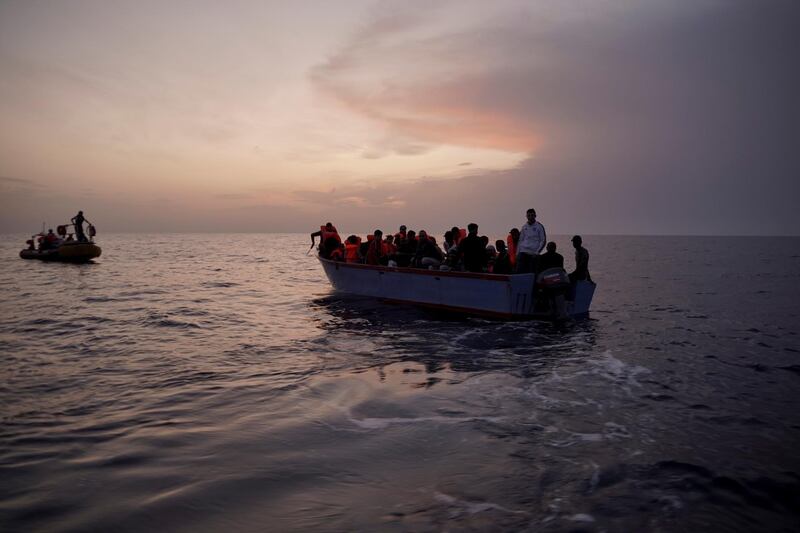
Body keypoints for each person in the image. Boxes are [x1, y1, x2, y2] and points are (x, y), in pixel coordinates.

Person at [516, 208, 546, 273]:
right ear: (526, 216)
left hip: (533, 253)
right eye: (528, 215)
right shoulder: (524, 227)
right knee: (519, 270)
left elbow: (543, 240)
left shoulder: (539, 226)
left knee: (532, 271)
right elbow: (520, 240)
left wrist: (537, 252)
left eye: (532, 215)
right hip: (523, 252)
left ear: (535, 216)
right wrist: (517, 253)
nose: (530, 217)